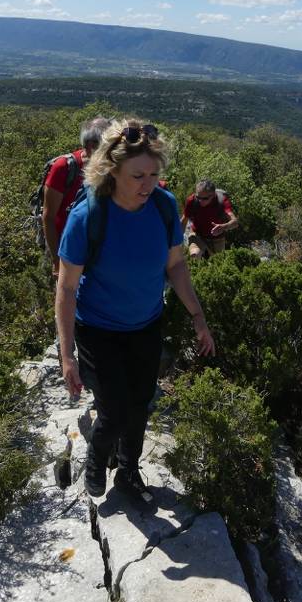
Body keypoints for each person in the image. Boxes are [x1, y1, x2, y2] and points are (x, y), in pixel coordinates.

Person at [56, 118, 215, 502]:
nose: (148, 184)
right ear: (112, 171)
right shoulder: (88, 217)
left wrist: (198, 318)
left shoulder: (163, 206)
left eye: (154, 174)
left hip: (145, 323)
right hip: (98, 328)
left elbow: (175, 265)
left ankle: (128, 470)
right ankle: (97, 458)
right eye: (138, 175)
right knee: (113, 408)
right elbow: (66, 287)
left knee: (140, 403)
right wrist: (67, 355)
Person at [43, 117, 111, 277]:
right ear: (90, 145)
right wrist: (57, 261)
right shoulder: (63, 168)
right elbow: (49, 217)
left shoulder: (111, 169)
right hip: (67, 251)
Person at [181, 179, 239, 260]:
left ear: (213, 195)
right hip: (197, 234)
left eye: (205, 198)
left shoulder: (221, 200)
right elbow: (184, 221)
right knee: (194, 256)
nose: (200, 201)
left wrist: (223, 227)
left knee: (218, 263)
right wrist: (176, 241)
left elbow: (235, 222)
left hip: (217, 238)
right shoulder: (192, 200)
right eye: (198, 197)